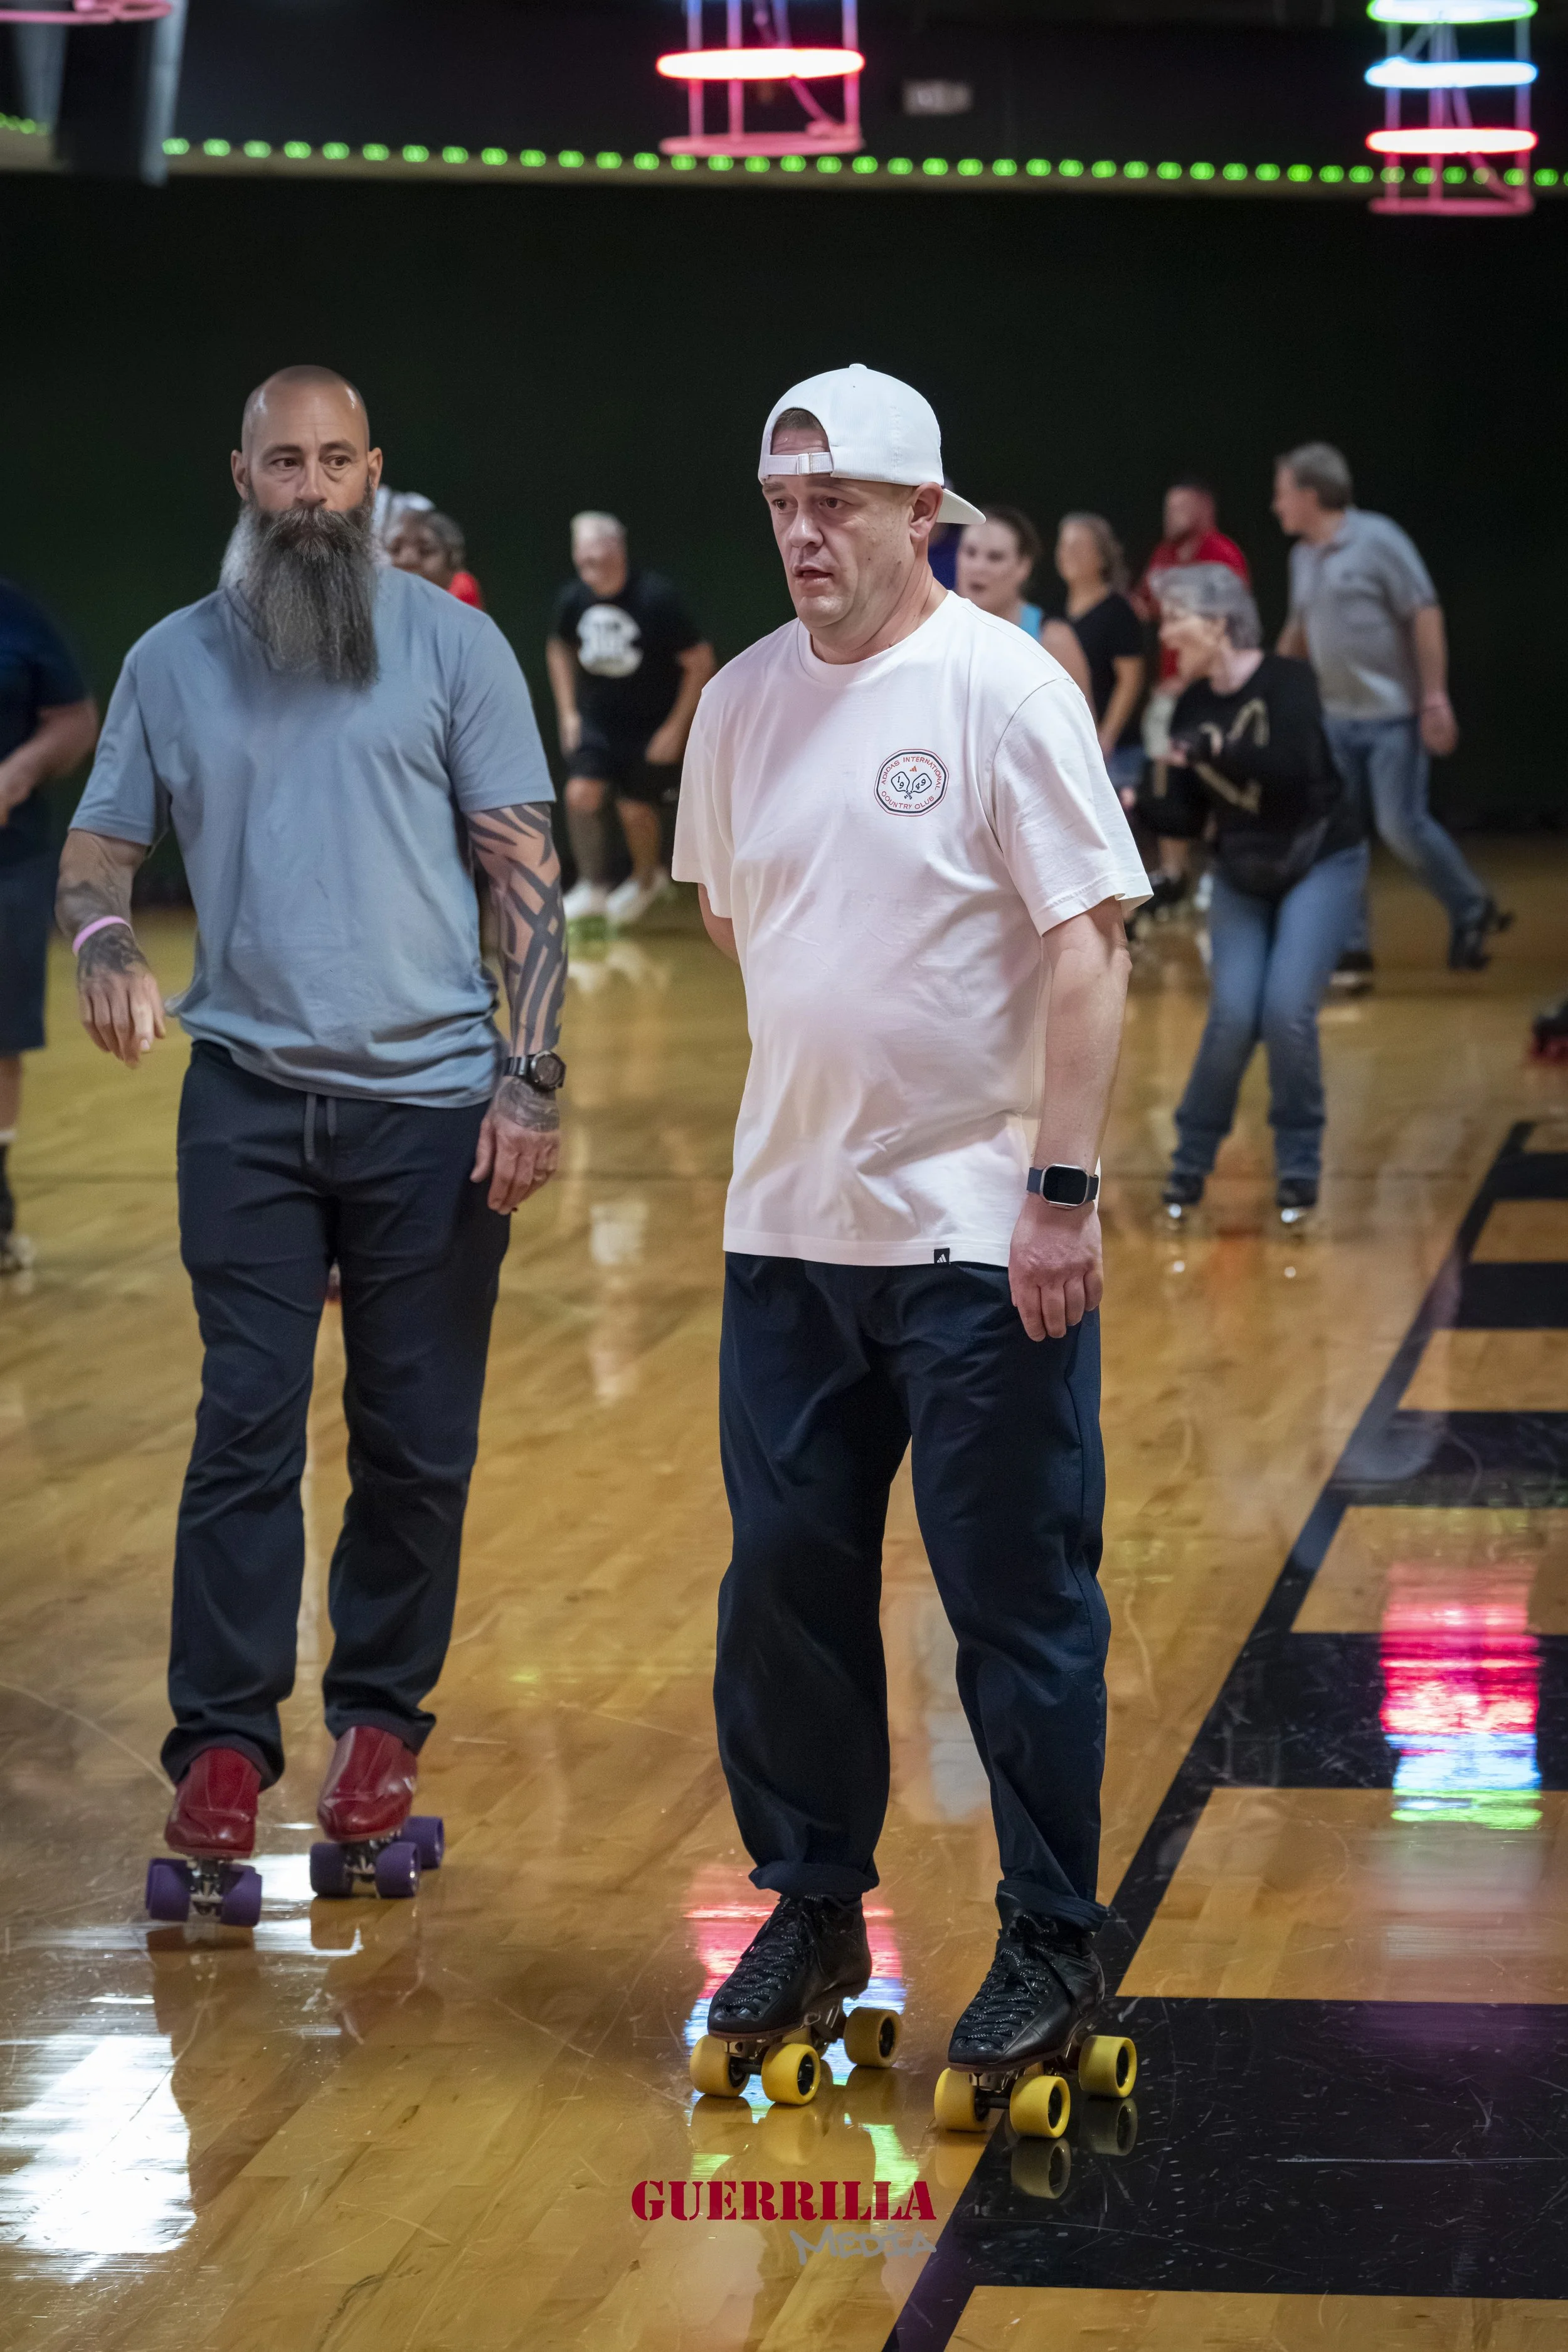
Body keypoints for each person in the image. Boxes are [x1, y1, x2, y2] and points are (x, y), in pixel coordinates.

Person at [671, 364, 1148, 2097]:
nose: (803, 534)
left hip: (980, 1240)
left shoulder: (1003, 688)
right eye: (781, 505)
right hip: (788, 1229)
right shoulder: (739, 702)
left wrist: (1057, 1192)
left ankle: (1050, 1933)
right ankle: (812, 1908)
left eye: (838, 504)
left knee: (1014, 1596)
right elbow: (737, 920)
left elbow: (1090, 943)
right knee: (785, 1593)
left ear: (920, 512)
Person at [57, 364, 566, 1894]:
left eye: (337, 462)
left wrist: (530, 1077)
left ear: (374, 475)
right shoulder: (170, 659)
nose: (312, 490)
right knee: (244, 1425)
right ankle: (221, 1747)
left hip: (431, 1107)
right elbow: (96, 853)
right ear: (243, 477)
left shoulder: (456, 647)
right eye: (285, 463)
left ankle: (377, 1728)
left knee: (414, 1441)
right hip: (248, 1102)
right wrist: (103, 942)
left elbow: (523, 876)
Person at [1140, 564, 1367, 1226]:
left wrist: (1216, 747)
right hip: (1242, 870)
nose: (1167, 634)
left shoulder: (1288, 681)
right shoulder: (1190, 703)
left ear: (1218, 623)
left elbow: (1293, 775)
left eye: (1177, 619)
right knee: (1233, 1016)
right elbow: (1188, 816)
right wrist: (1140, 798)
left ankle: (1298, 1167)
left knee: (1286, 1012)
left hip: (1319, 860)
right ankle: (1188, 1164)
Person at [1274, 442, 1507, 977]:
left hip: (1391, 717)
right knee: (1342, 835)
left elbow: (1424, 613)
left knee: (1401, 824)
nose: (1276, 505)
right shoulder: (1301, 557)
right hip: (1335, 719)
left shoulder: (1378, 540)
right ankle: (1351, 944)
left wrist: (1434, 696)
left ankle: (1471, 906)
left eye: (1282, 493)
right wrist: (1268, 681)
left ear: (1311, 494)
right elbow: (1300, 628)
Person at [546, 513, 714, 928]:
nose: (587, 566)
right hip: (598, 723)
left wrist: (676, 728)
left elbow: (700, 661)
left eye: (595, 556)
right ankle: (592, 886)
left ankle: (646, 880)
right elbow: (558, 648)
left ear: (617, 549)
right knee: (580, 795)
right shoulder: (574, 600)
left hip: (650, 725)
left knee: (635, 809)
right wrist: (568, 713)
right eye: (580, 557)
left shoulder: (656, 599)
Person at [0, 580, 98, 1273]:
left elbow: (74, 720)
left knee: (1, 1030)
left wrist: (17, 773)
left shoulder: (18, 617)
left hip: (9, 856)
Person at [1132, 480, 1251, 911]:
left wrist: (1196, 679)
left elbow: (1233, 622)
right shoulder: (1164, 556)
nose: (1171, 516)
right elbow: (1144, 606)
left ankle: (1219, 874)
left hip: (1207, 689)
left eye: (1181, 508)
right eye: (1168, 507)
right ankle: (1173, 875)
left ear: (1204, 509)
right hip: (1169, 689)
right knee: (1166, 777)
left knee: (1215, 776)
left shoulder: (1223, 554)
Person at [955, 506, 1093, 702]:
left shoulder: (1054, 641)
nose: (978, 567)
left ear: (1024, 566)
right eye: (970, 552)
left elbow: (1083, 721)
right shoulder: (927, 624)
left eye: (995, 557)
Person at [1054, 514, 1145, 803]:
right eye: (1064, 546)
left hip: (1115, 753)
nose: (1069, 554)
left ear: (1103, 558)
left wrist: (1105, 738)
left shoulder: (1118, 611)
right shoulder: (1058, 613)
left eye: (1079, 547)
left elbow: (1131, 680)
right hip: (1072, 749)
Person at [386, 507, 485, 608]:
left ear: (452, 557)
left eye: (425, 551)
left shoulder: (462, 586)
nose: (405, 560)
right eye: (395, 549)